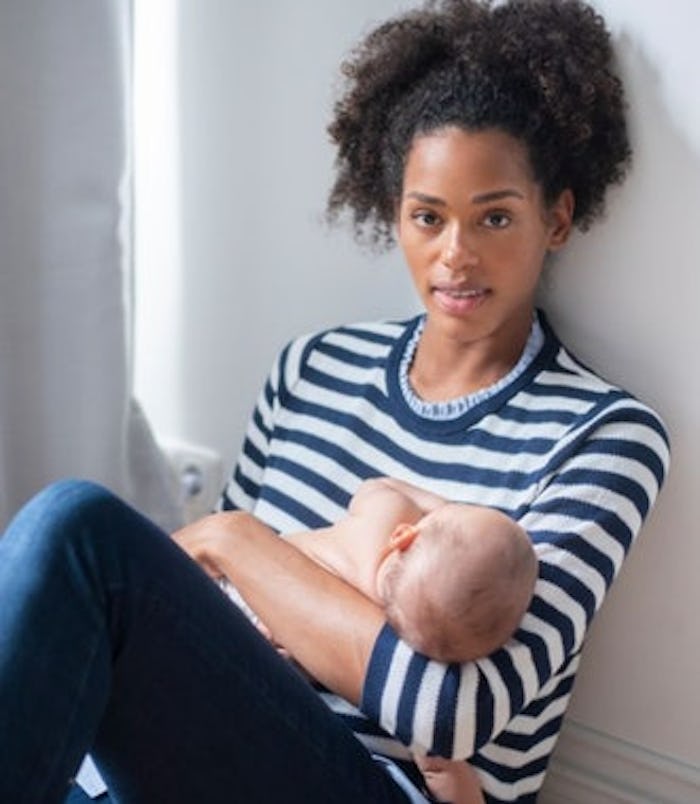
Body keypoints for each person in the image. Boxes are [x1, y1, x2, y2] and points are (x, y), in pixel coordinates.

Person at [0, 1, 670, 803]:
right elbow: (208, 612)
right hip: (211, 753)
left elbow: (451, 712)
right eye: (428, 217)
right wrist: (271, 590)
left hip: (373, 784)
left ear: (556, 217)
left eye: (495, 217)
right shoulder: (311, 369)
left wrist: (239, 539)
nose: (456, 255)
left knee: (79, 529)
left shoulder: (604, 437)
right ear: (396, 214)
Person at [220, 476, 538, 665]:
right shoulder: (376, 626)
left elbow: (373, 486)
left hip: (239, 578)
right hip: (272, 633)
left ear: (403, 535)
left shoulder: (389, 515)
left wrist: (441, 506)